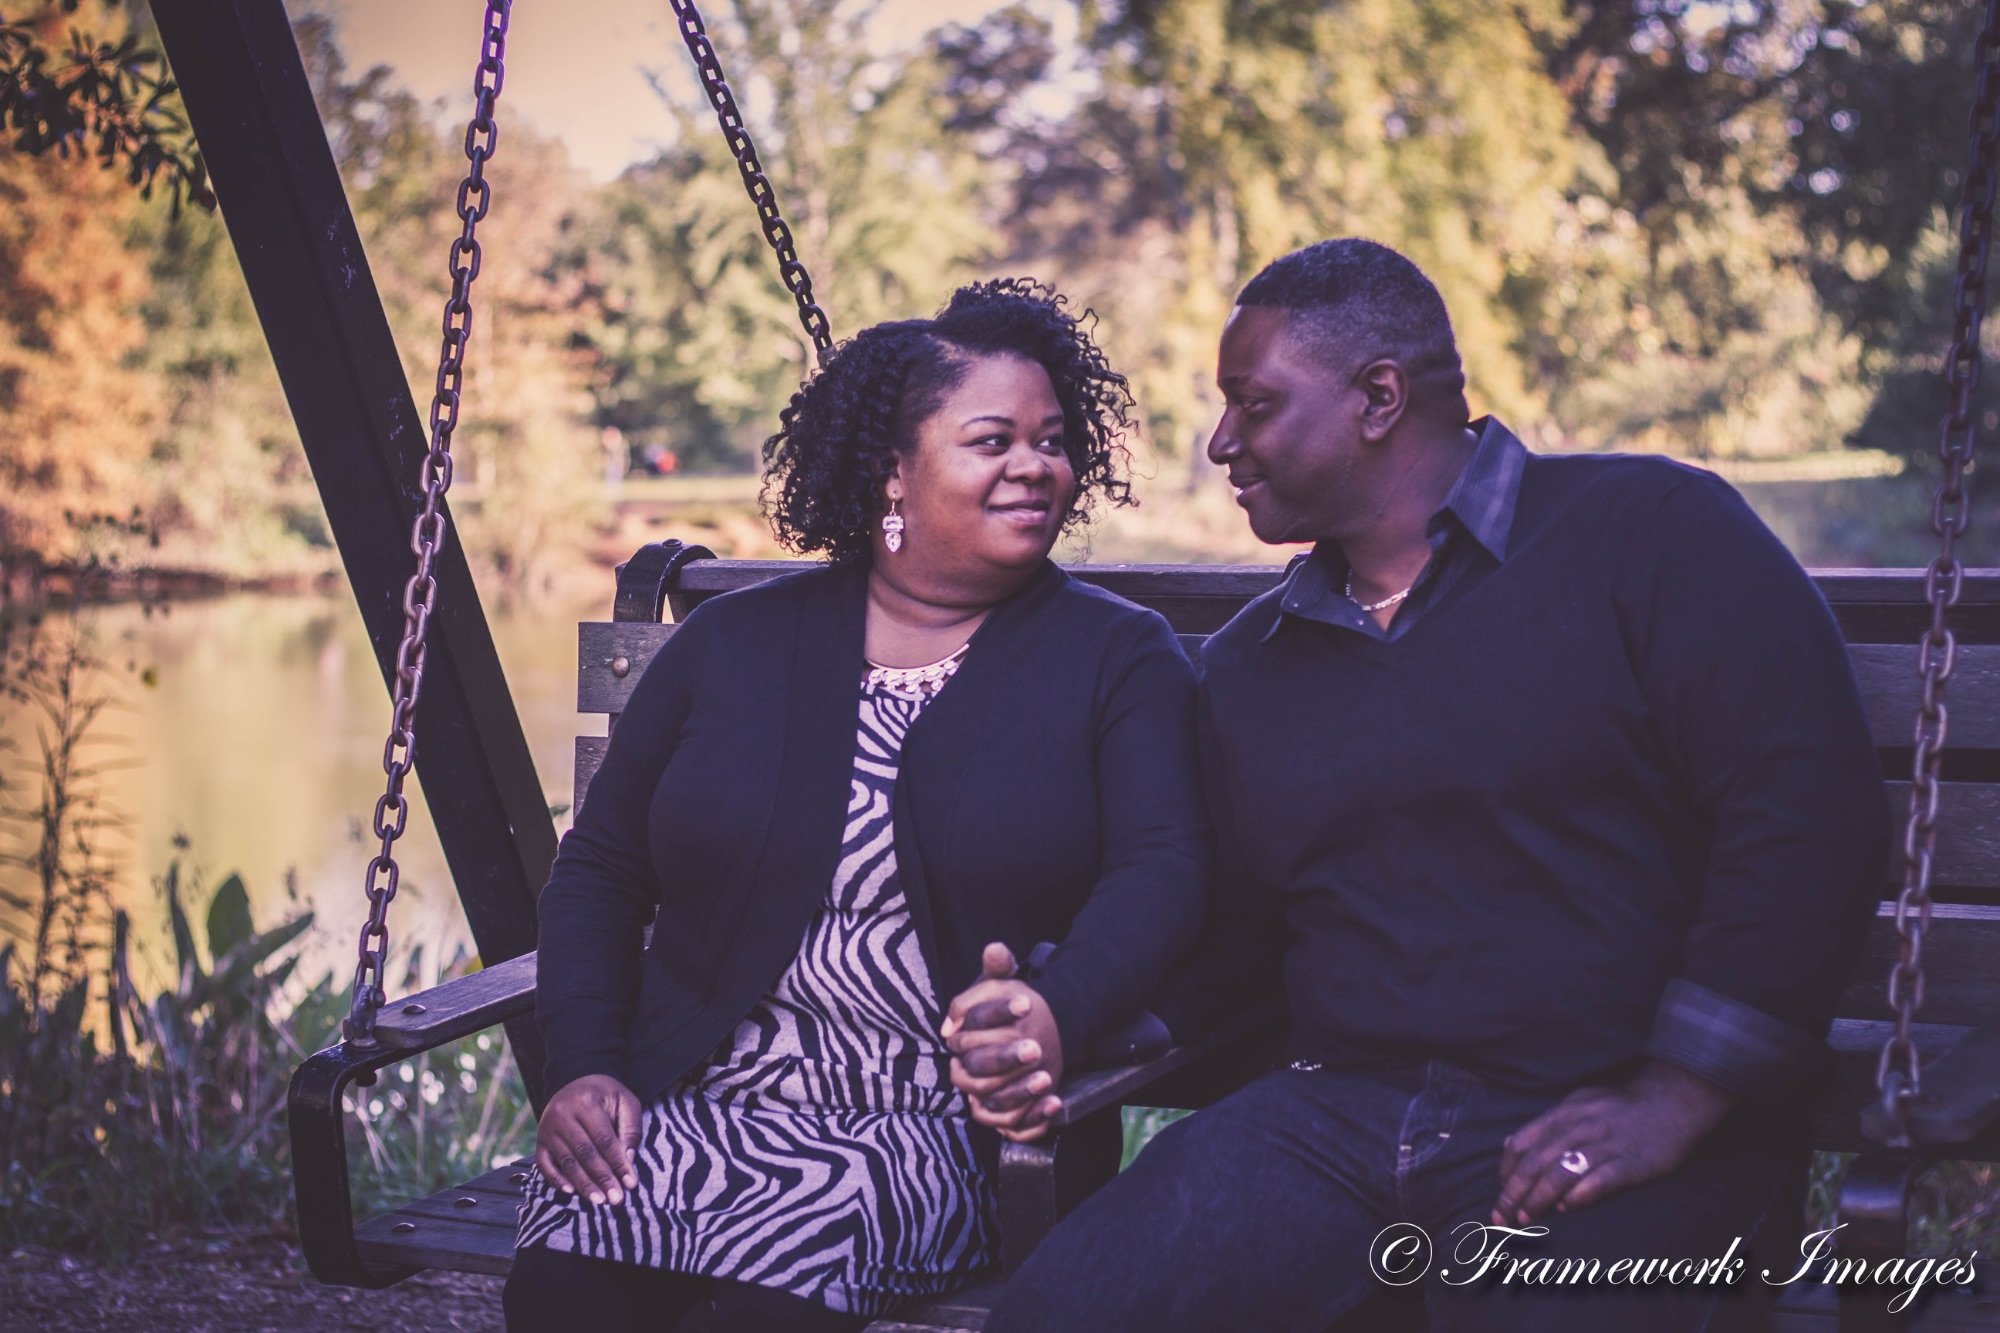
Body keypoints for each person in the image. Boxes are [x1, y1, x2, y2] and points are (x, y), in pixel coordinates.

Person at [966, 239, 1889, 1331]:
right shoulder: (1256, 661)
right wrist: (1067, 1012)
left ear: (1378, 398)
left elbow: (1805, 816)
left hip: (1606, 1116)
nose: (1221, 442)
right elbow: (1240, 933)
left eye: (1253, 405)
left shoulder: (1647, 534)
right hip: (1333, 1122)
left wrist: (1676, 1096)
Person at [502, 279, 1208, 1332]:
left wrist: (1057, 1012)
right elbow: (600, 870)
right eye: (993, 441)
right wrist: (588, 1067)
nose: (1037, 466)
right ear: (890, 471)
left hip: (946, 1122)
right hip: (692, 1097)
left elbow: (1163, 870)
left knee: (762, 1311)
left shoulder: (1114, 656)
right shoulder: (732, 645)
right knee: (562, 1289)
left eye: (1054, 442)